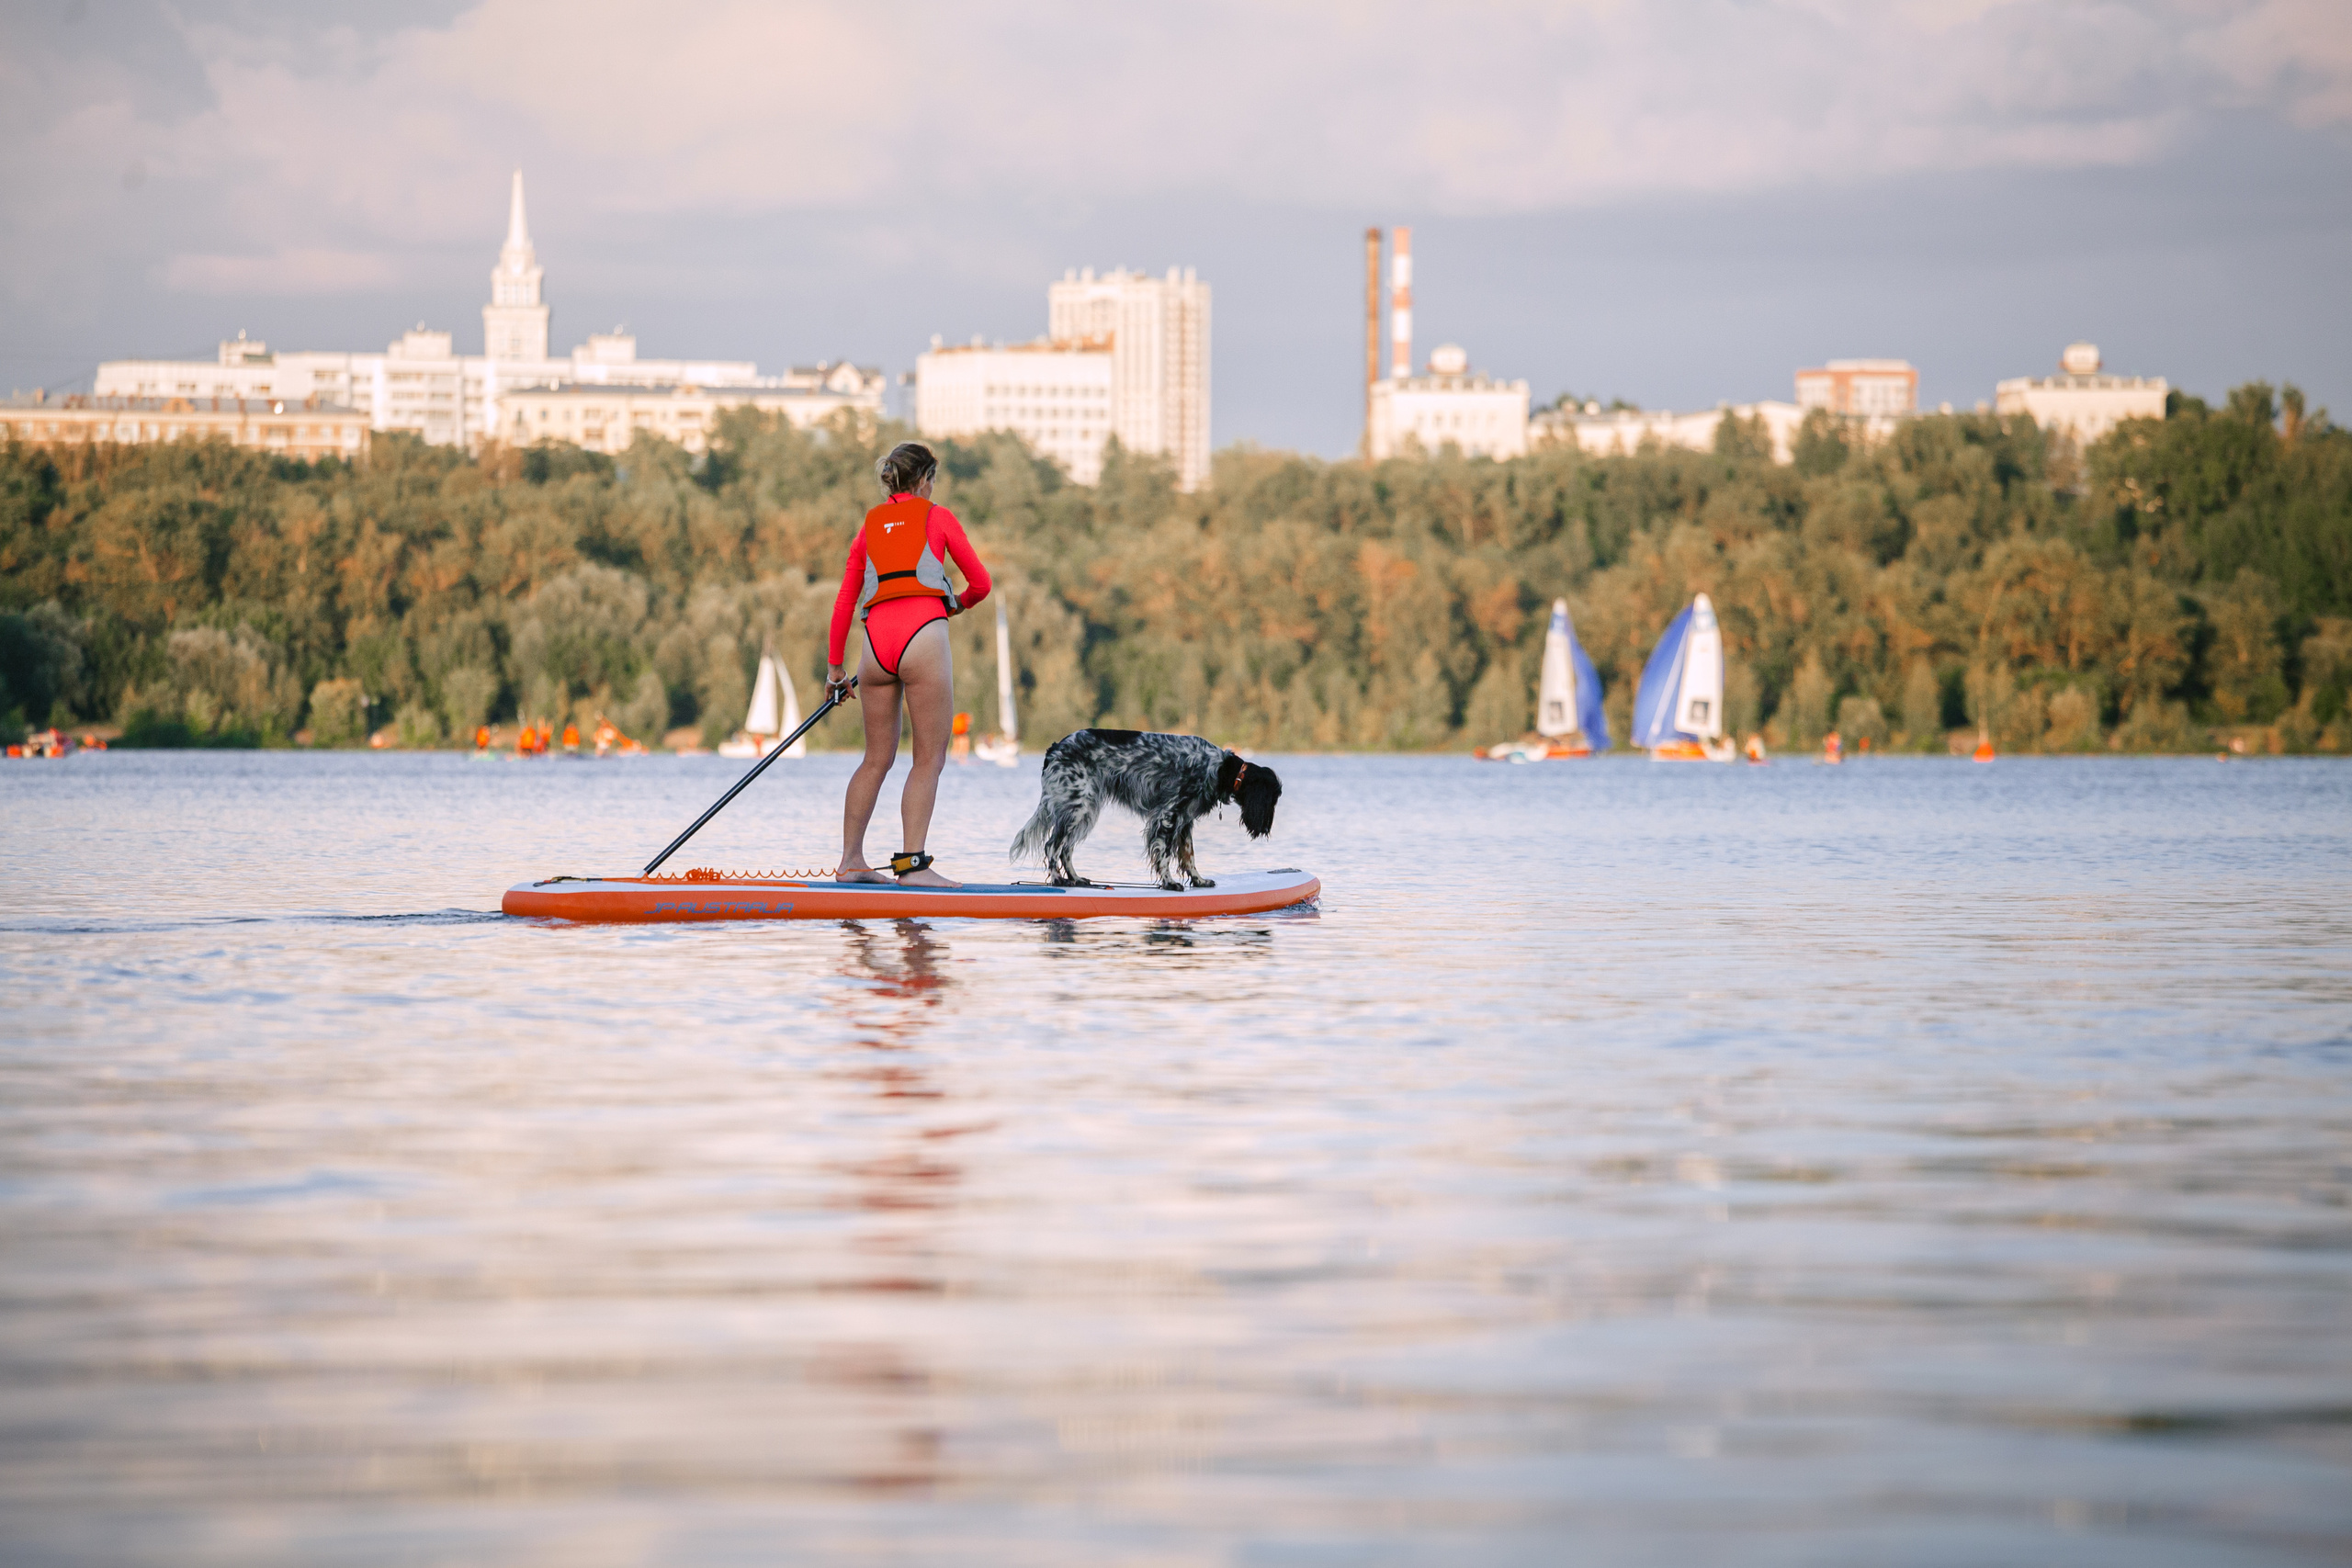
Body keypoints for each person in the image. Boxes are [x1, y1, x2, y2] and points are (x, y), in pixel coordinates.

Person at [826, 442, 990, 886]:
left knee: (875, 758)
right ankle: (912, 868)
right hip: (923, 639)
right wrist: (953, 605)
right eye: (932, 480)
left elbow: (846, 599)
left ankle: (850, 863)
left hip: (874, 645)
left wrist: (835, 670)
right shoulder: (938, 517)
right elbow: (982, 583)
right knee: (928, 758)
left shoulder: (869, 525)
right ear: (924, 480)